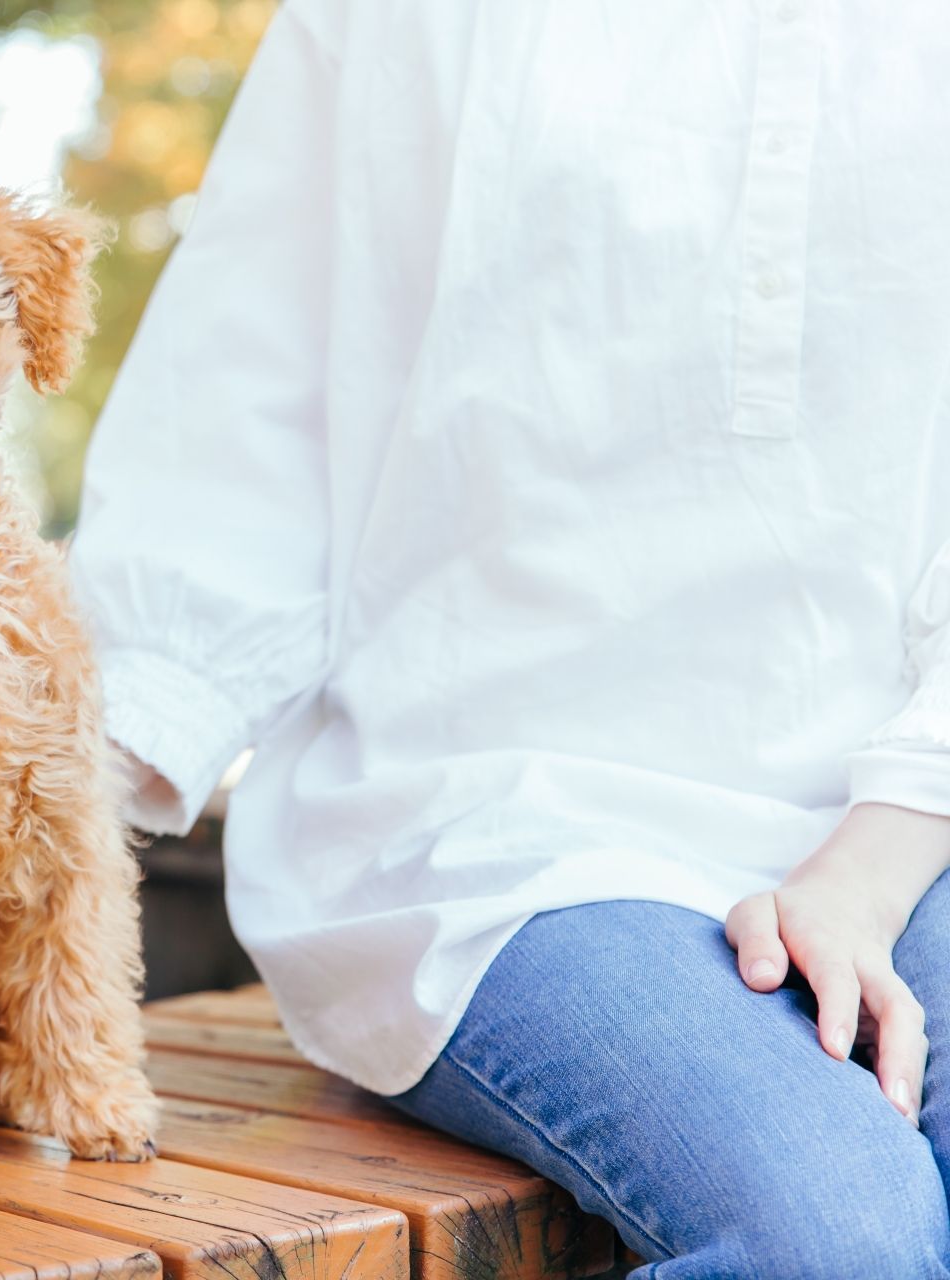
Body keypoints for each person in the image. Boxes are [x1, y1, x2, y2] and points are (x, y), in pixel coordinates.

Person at [68, 4, 950, 1276]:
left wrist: (872, 859)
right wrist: (13, 854)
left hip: (905, 814)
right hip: (494, 830)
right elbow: (244, 423)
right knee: (837, 1236)